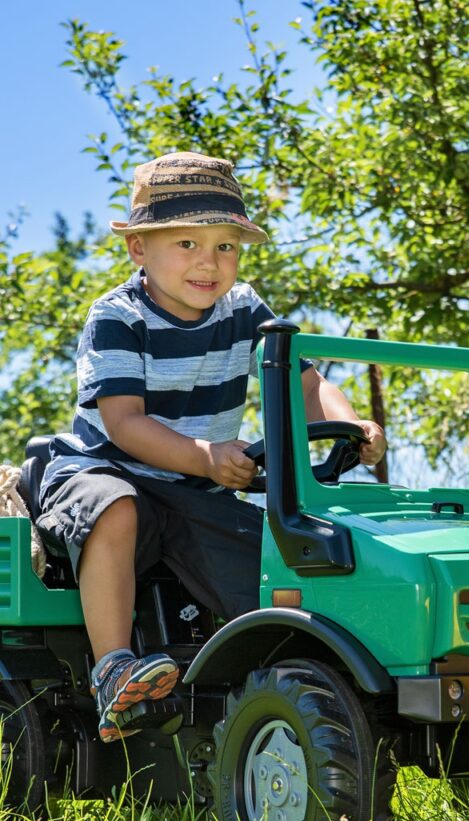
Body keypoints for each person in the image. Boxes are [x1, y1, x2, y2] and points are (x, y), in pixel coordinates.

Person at [36, 151, 386, 743]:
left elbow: (306, 384)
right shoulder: (117, 318)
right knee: (116, 507)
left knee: (277, 556)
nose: (210, 262)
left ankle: (280, 687)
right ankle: (113, 669)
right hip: (104, 468)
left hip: (198, 487)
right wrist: (204, 456)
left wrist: (355, 427)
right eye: (188, 244)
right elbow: (123, 423)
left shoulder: (244, 310)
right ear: (138, 249)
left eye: (225, 245)